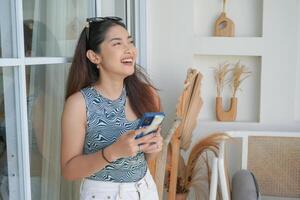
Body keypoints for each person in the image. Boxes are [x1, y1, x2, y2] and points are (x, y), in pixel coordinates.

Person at [61, 16, 163, 200]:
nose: (130, 50)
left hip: (146, 189)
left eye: (130, 42)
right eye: (117, 44)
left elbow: (145, 159)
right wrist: (113, 152)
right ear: (94, 56)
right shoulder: (79, 104)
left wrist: (153, 148)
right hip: (103, 194)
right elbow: (69, 170)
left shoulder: (147, 94)